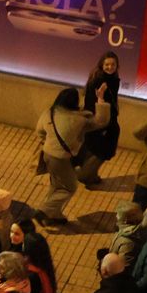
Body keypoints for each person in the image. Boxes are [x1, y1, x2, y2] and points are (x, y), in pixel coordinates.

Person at [35, 84, 111, 225]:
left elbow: (40, 131)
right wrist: (100, 99)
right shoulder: (79, 120)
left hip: (47, 155)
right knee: (69, 187)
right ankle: (44, 210)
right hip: (61, 159)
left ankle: (54, 215)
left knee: (57, 186)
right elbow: (101, 121)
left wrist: (49, 143)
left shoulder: (49, 112)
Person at [78, 51, 122, 185]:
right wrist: (101, 99)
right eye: (107, 64)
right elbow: (92, 104)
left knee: (93, 148)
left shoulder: (112, 79)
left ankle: (90, 174)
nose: (110, 67)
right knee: (101, 150)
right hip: (100, 121)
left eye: (113, 64)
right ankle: (86, 175)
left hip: (105, 120)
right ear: (102, 65)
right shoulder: (99, 81)